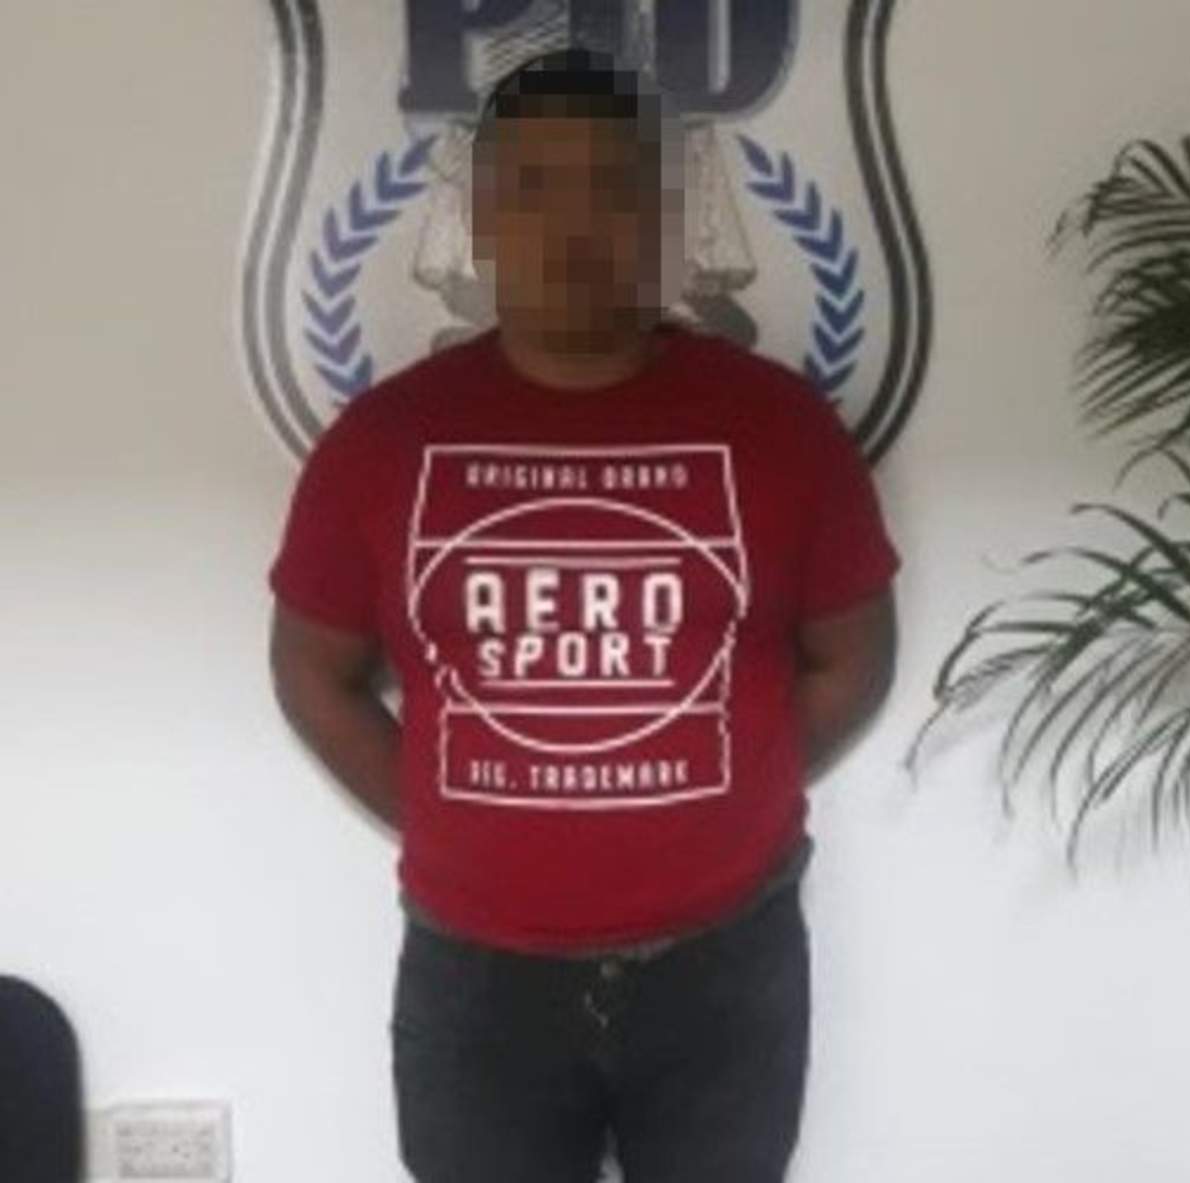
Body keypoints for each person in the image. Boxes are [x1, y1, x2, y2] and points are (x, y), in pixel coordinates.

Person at [267, 47, 899, 1183]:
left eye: (610, 188)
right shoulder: (382, 443)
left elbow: (851, 658)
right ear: (482, 218)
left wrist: (731, 779)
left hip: (725, 963)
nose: (572, 228)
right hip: (478, 978)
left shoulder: (780, 429)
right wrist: (447, 811)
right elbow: (313, 671)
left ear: (660, 219)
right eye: (534, 188)